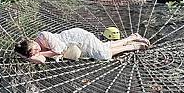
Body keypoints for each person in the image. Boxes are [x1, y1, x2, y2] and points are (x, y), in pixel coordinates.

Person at [14, 28, 150, 64]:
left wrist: (40, 53)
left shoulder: (44, 36)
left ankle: (133, 46)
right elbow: (41, 60)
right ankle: (132, 38)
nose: (36, 52)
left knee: (103, 54)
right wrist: (27, 57)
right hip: (76, 43)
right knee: (104, 46)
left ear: (32, 43)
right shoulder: (35, 50)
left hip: (79, 38)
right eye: (33, 53)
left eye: (34, 50)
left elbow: (59, 50)